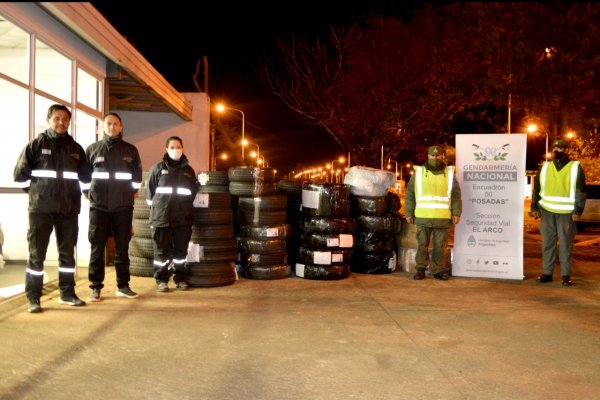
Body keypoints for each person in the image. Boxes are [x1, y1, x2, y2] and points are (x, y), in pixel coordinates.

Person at [13, 104, 92, 313]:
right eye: (57, 118)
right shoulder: (36, 145)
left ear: (69, 121)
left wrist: (83, 195)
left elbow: (86, 179)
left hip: (68, 211)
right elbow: (19, 176)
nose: (61, 122)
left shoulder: (76, 149)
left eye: (65, 119)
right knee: (36, 254)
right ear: (49, 120)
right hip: (41, 210)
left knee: (67, 255)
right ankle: (33, 298)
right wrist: (36, 193)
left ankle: (67, 294)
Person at [83, 112, 142, 302]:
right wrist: (90, 196)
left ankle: (123, 286)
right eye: (108, 123)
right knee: (97, 248)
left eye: (116, 124)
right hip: (99, 208)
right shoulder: (92, 150)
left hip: (123, 208)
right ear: (102, 127)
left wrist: (127, 197)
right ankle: (95, 287)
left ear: (121, 127)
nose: (112, 127)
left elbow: (137, 180)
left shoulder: (131, 151)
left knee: (122, 249)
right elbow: (83, 179)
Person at [530, 138, 586, 286]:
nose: (556, 151)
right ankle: (547, 273)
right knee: (547, 244)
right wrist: (534, 207)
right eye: (555, 148)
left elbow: (581, 190)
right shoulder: (545, 167)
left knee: (566, 245)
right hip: (547, 212)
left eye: (560, 148)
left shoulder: (575, 167)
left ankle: (566, 275)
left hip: (567, 214)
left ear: (566, 150)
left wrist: (578, 210)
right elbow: (537, 189)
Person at [146, 136, 198, 292]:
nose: (176, 150)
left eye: (178, 147)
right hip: (162, 218)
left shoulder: (189, 171)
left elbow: (192, 193)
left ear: (182, 148)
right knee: (161, 251)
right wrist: (157, 213)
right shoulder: (157, 169)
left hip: (183, 218)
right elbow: (150, 194)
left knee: (181, 252)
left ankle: (180, 278)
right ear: (166, 149)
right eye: (173, 147)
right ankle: (161, 280)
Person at [404, 145, 462, 281]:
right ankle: (420, 269)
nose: (435, 158)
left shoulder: (449, 174)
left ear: (443, 156)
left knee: (440, 247)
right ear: (428, 156)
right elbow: (410, 195)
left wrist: (456, 212)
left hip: (442, 218)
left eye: (438, 155)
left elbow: (455, 195)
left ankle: (439, 271)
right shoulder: (418, 173)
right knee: (422, 245)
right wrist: (408, 212)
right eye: (432, 155)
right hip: (423, 217)